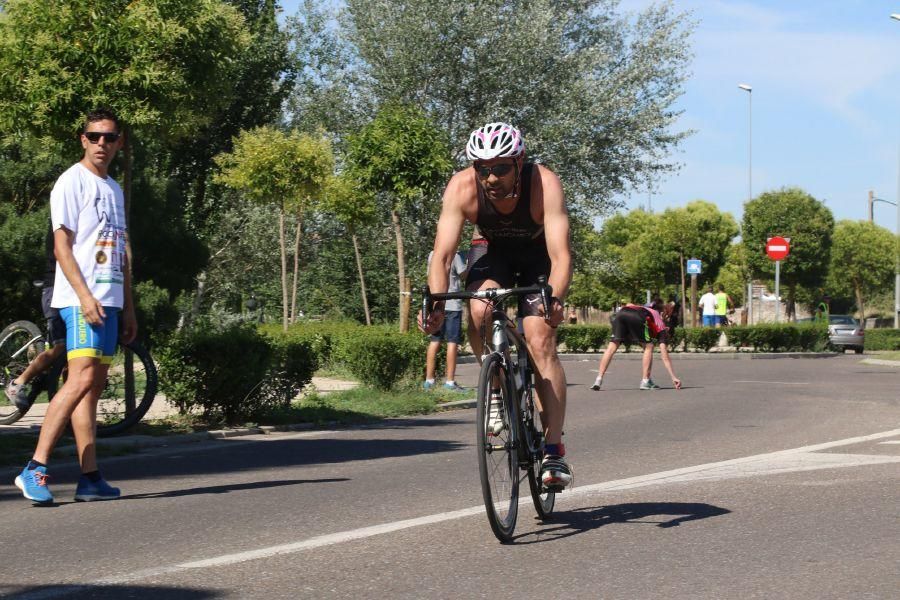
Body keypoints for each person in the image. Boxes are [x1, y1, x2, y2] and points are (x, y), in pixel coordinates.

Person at [419, 122, 573, 490]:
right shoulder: (461, 187)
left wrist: (556, 299)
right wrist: (435, 304)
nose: (491, 177)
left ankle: (553, 451)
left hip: (538, 255)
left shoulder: (544, 184)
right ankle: (496, 387)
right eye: (483, 168)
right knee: (479, 309)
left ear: (519, 163)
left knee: (539, 339)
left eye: (500, 167)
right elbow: (441, 256)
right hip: (491, 251)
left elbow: (561, 256)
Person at [14, 108, 137, 505]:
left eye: (110, 138)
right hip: (81, 299)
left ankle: (90, 478)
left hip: (111, 300)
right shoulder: (71, 181)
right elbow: (61, 245)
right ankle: (34, 468)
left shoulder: (114, 189)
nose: (102, 143)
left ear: (119, 143)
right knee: (80, 380)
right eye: (95, 136)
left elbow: (121, 253)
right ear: (83, 139)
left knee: (93, 388)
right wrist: (85, 297)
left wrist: (128, 306)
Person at [3, 228, 68, 411]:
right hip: (56, 290)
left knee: (74, 354)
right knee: (61, 347)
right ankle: (18, 383)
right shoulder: (60, 221)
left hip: (68, 292)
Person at [590, 298, 682, 391]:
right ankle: (645, 381)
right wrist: (673, 377)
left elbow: (629, 304)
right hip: (636, 316)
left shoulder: (646, 309)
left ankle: (598, 379)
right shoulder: (660, 324)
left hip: (621, 314)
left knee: (611, 347)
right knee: (649, 346)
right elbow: (664, 356)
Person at [424, 249, 467, 392]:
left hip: (436, 304)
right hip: (453, 305)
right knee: (452, 342)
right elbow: (463, 275)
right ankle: (450, 382)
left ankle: (429, 380)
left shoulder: (432, 255)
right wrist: (469, 266)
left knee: (434, 340)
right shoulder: (455, 255)